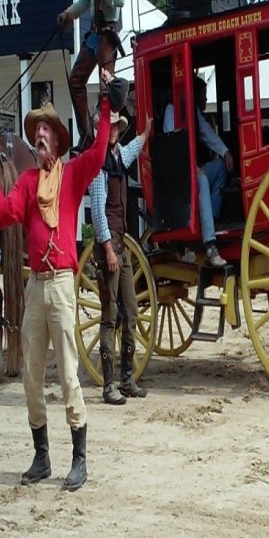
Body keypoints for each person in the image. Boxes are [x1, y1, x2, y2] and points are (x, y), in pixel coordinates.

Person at [0, 70, 127, 492]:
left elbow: (99, 151)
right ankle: (42, 456)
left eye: (46, 129)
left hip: (62, 284)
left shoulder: (74, 174)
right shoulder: (28, 182)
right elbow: (3, 215)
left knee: (67, 374)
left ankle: (79, 459)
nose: (40, 134)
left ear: (58, 141)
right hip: (36, 286)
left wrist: (105, 104)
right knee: (31, 376)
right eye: (37, 130)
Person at [89, 110, 153, 405]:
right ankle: (108, 385)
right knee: (110, 316)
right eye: (109, 126)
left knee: (131, 311)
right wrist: (107, 249)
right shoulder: (99, 165)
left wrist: (145, 134)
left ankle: (127, 379)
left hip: (122, 242)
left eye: (116, 126)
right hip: (110, 244)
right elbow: (97, 211)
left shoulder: (115, 156)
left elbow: (130, 151)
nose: (113, 130)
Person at [58, 0, 124, 150]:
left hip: (108, 32)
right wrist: (69, 13)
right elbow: (86, 0)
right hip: (96, 32)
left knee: (106, 89)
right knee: (75, 80)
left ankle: (105, 140)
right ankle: (87, 136)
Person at [163, 76, 234, 267]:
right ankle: (210, 245)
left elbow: (207, 134)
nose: (204, 99)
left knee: (220, 168)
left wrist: (225, 152)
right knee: (201, 180)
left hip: (193, 169)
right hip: (179, 173)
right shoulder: (171, 111)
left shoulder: (193, 111)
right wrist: (190, 167)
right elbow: (171, 145)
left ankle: (212, 220)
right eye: (202, 94)